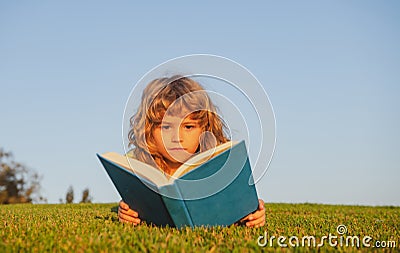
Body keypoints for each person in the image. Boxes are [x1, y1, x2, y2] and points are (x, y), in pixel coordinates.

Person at [118, 75, 266, 228]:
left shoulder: (217, 163)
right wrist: (127, 212)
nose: (177, 138)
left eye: (188, 127)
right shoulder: (137, 162)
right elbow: (132, 204)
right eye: (166, 127)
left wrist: (253, 213)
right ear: (148, 130)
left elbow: (239, 203)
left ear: (204, 129)